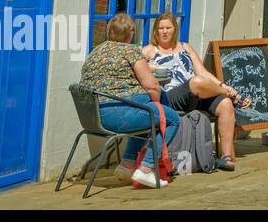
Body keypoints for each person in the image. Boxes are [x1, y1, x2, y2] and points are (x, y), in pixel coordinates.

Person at [80, 12, 179, 189]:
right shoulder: (130, 51)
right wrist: (155, 99)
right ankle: (147, 169)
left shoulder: (95, 51)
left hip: (93, 117)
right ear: (130, 33)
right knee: (171, 118)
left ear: (109, 31)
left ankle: (127, 165)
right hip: (117, 116)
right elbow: (151, 86)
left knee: (147, 112)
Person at [143, 12, 249, 171]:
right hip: (170, 97)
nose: (164, 31)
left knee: (225, 104)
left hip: (196, 92)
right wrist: (150, 67)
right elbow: (136, 70)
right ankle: (232, 95)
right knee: (196, 82)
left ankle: (226, 157)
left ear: (174, 29)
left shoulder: (185, 47)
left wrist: (222, 85)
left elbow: (203, 72)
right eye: (161, 28)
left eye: (168, 28)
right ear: (155, 31)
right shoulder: (149, 51)